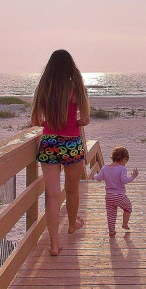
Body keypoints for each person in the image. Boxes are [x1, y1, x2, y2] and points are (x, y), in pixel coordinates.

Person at [30, 49, 90, 256]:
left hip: (49, 143)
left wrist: (49, 123)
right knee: (72, 189)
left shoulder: (43, 88)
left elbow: (35, 121)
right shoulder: (76, 87)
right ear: (70, 66)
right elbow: (85, 120)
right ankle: (72, 225)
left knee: (52, 195)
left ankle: (54, 245)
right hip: (71, 142)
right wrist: (73, 121)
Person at [93, 146, 138, 237]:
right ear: (123, 159)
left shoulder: (105, 168)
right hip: (120, 196)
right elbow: (124, 180)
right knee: (128, 208)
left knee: (111, 213)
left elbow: (98, 178)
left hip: (109, 196)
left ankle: (112, 231)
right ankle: (124, 224)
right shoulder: (122, 169)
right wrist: (133, 177)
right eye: (125, 162)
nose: (125, 164)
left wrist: (94, 175)